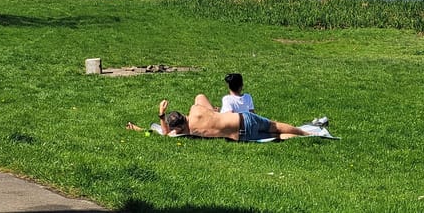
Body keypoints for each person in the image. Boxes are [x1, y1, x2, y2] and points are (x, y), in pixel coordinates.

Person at [127, 95, 319, 141]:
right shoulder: (195, 111)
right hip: (242, 120)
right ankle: (305, 133)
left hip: (239, 136)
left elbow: (165, 133)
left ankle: (303, 137)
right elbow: (200, 96)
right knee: (275, 127)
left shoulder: (190, 132)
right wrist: (213, 111)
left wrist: (161, 115)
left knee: (275, 137)